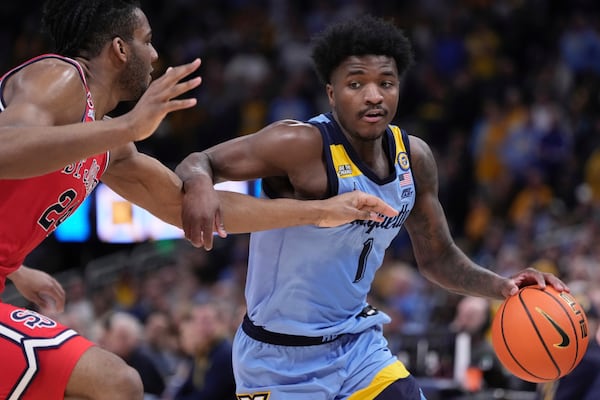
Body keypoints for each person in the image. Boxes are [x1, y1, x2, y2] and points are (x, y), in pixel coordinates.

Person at [0, 1, 399, 399]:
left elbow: (188, 210)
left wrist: (320, 211)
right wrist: (129, 125)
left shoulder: (109, 146)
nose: (155, 54)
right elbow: (5, 147)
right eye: (147, 40)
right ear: (120, 50)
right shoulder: (61, 76)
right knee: (114, 385)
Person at [175, 14, 569, 399]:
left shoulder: (413, 158)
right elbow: (199, 161)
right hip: (278, 358)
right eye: (356, 83)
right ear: (332, 93)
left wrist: (502, 286)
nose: (374, 95)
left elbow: (437, 258)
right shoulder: (299, 145)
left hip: (357, 347)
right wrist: (199, 185)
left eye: (386, 82)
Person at [171, 300, 236, 400]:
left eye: (207, 321)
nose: (202, 327)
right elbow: (188, 386)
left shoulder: (223, 353)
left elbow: (209, 396)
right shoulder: (203, 351)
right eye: (198, 322)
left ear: (219, 323)